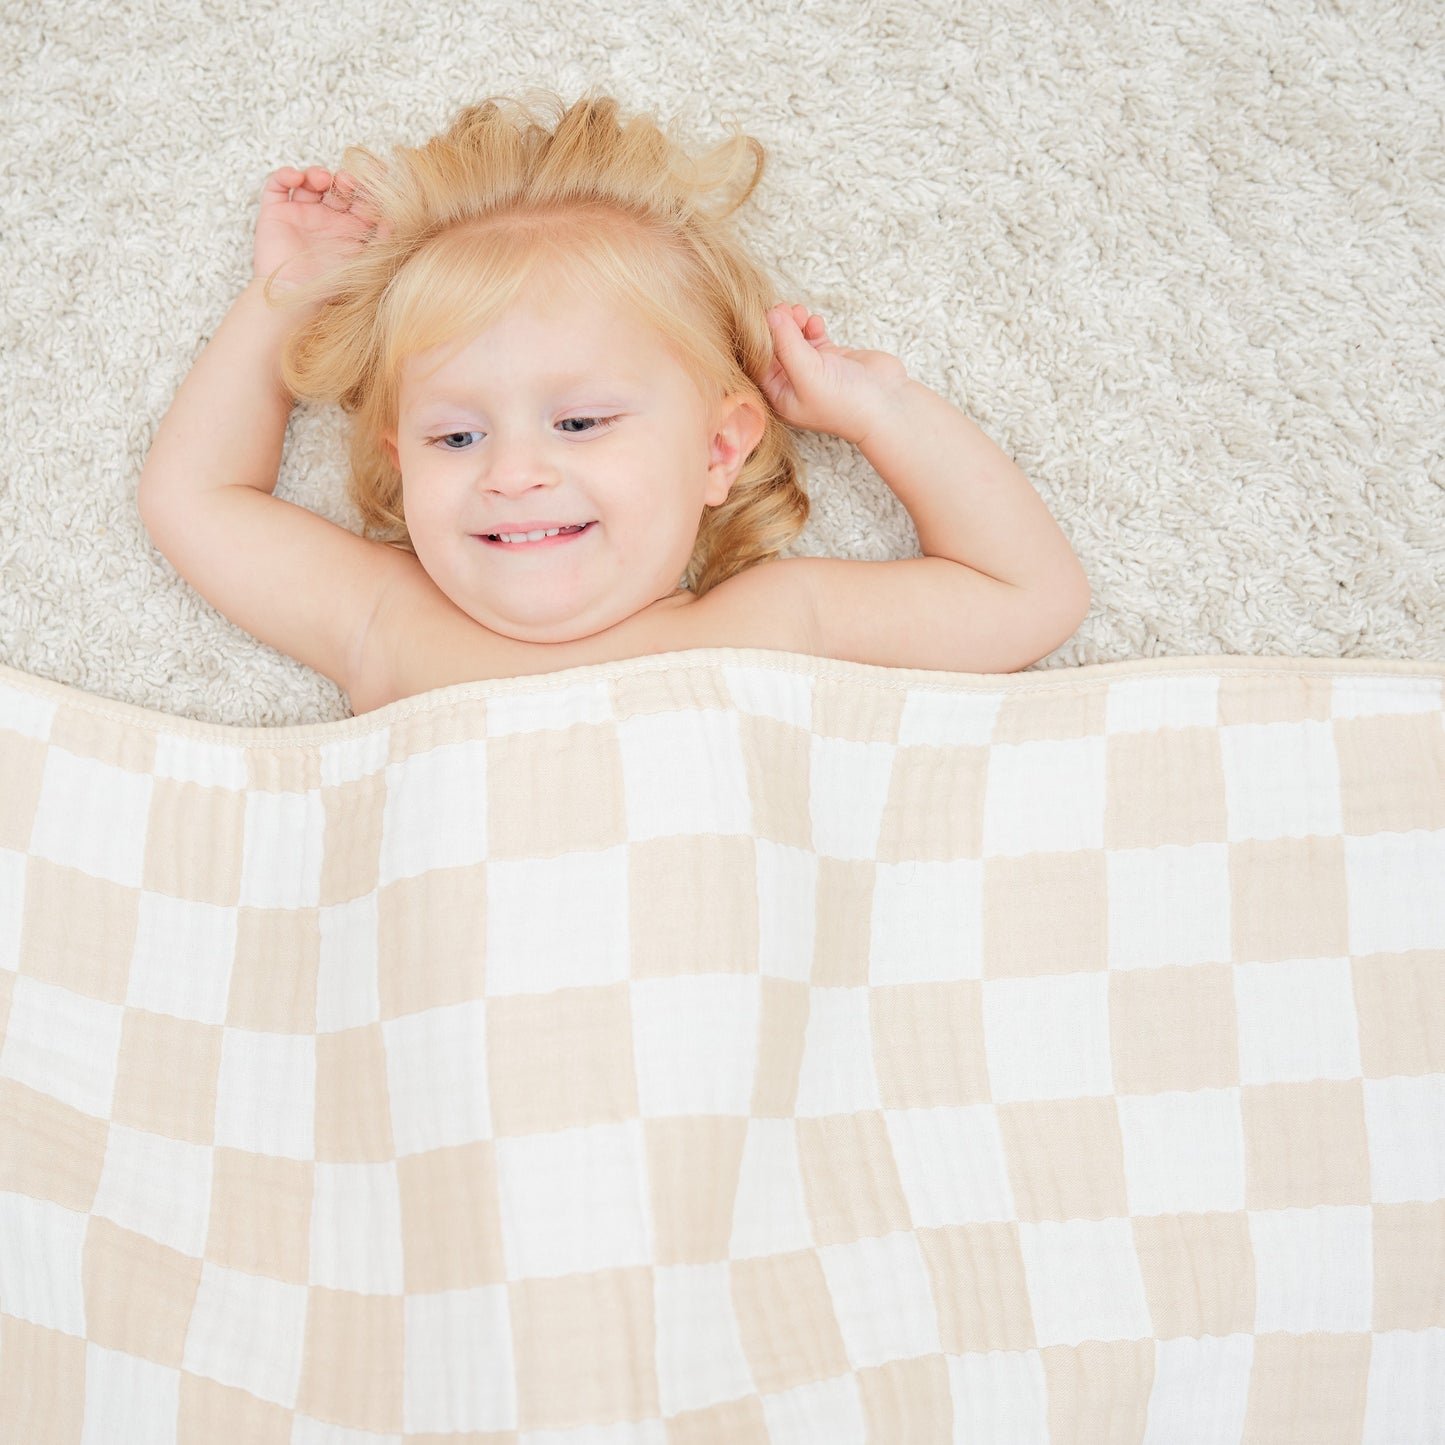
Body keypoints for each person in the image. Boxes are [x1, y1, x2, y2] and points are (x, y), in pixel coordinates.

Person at [137, 93, 1091, 716]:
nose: (513, 473)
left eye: (581, 422)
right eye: (457, 435)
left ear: (719, 450)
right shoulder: (389, 623)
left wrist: (885, 412)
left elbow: (1028, 596)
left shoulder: (772, 623)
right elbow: (197, 497)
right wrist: (293, 299)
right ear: (398, 461)